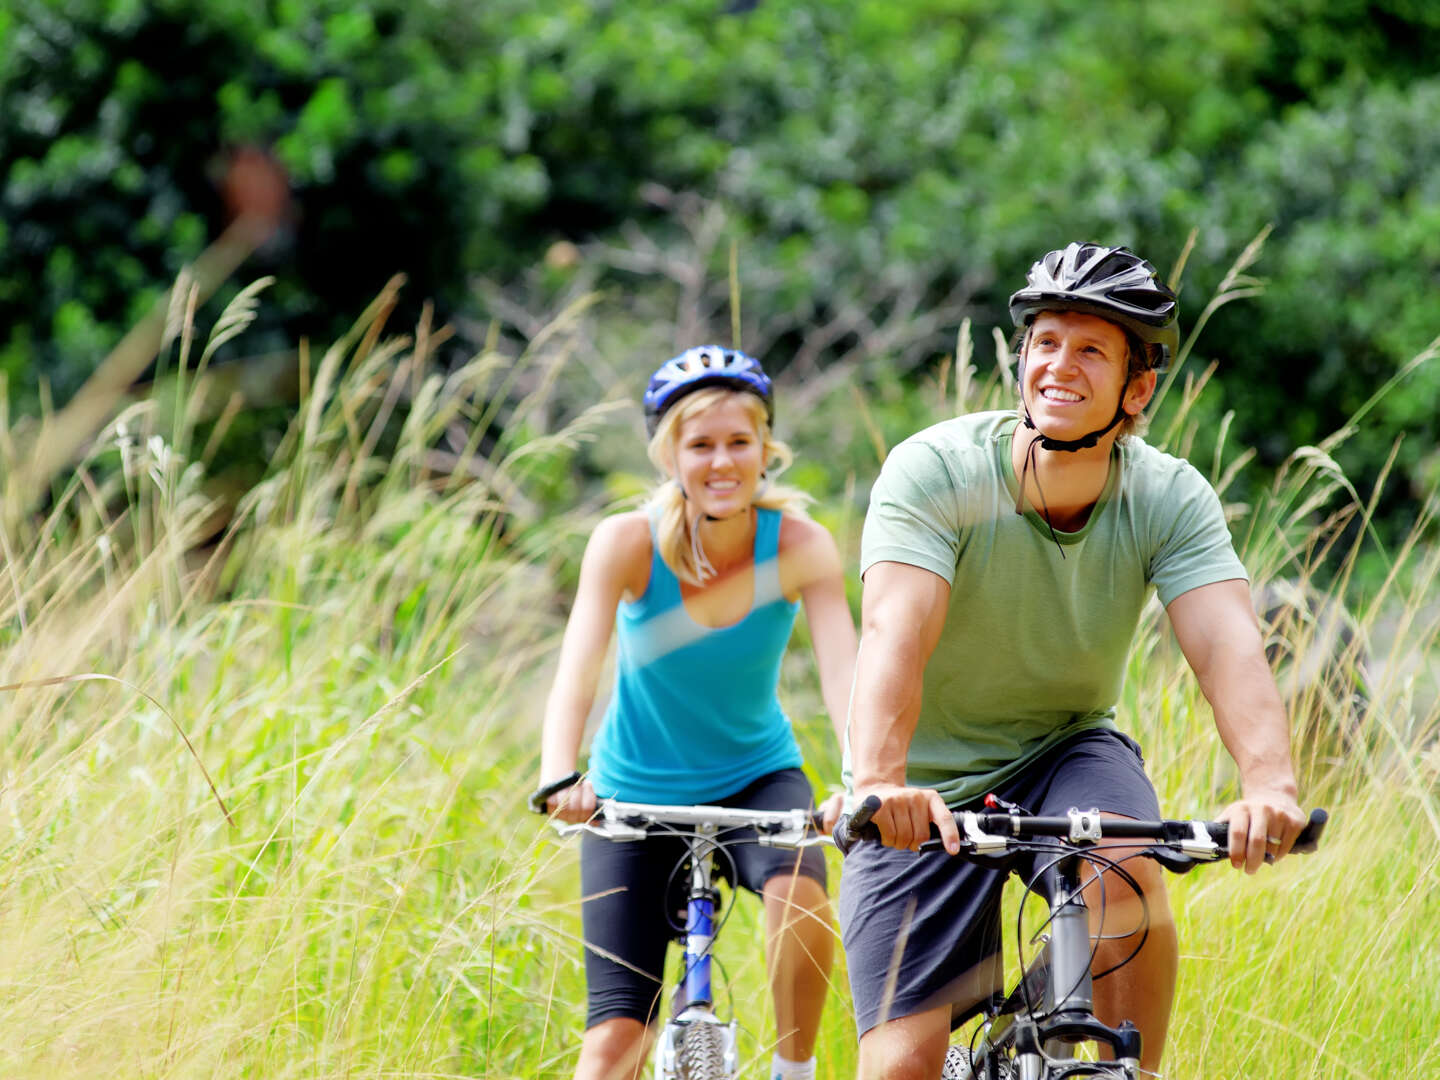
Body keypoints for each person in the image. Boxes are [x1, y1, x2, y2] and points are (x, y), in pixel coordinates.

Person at [838, 242, 1307, 1079]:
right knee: (899, 1067)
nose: (1060, 365)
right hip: (921, 787)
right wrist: (878, 776)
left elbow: (1227, 643)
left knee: (1126, 866)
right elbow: (893, 630)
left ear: (1136, 389)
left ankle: (1130, 1073)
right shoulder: (937, 470)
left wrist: (1270, 787)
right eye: (1046, 342)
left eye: (1091, 349)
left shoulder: (1167, 496)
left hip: (1066, 750)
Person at [538, 345, 858, 1080]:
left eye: (739, 442)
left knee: (801, 898)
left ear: (765, 449)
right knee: (615, 1042)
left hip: (755, 778)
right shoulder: (626, 543)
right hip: (634, 791)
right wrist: (562, 776)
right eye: (700, 444)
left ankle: (794, 1072)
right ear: (669, 455)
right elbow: (575, 673)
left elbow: (847, 673)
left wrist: (862, 778)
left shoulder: (802, 545)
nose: (722, 461)